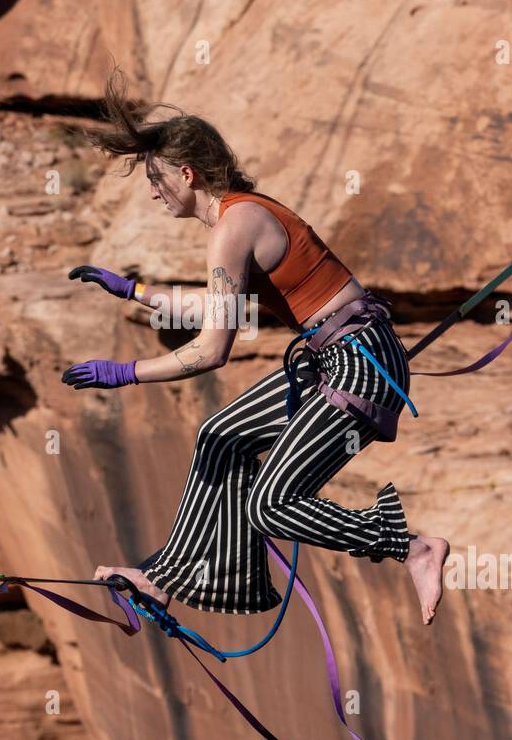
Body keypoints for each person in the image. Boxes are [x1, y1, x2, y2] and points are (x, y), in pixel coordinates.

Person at [62, 69, 449, 625]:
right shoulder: (240, 215)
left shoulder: (233, 226)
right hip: (337, 358)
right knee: (221, 435)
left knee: (270, 505)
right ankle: (167, 578)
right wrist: (137, 291)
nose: (151, 191)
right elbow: (224, 307)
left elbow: (210, 350)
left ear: (187, 174)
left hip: (360, 367)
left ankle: (414, 548)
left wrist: (126, 373)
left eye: (156, 179)